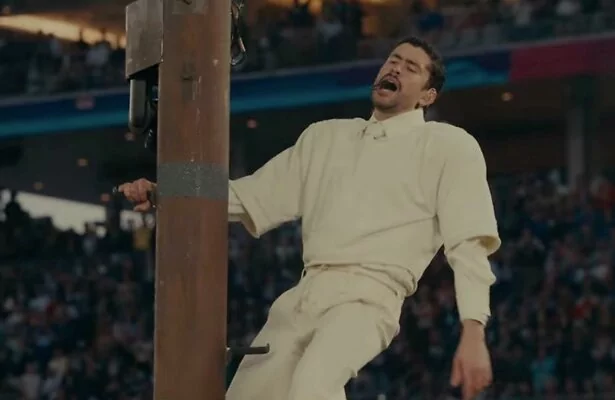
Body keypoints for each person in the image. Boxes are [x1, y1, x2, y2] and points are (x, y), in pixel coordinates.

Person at [118, 36, 500, 400]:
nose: (396, 69)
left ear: (428, 96)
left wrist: (474, 329)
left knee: (312, 389)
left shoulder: (449, 146)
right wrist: (164, 190)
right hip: (303, 294)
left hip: (369, 297)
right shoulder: (325, 137)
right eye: (392, 60)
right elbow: (249, 195)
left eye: (411, 68)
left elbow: (468, 242)